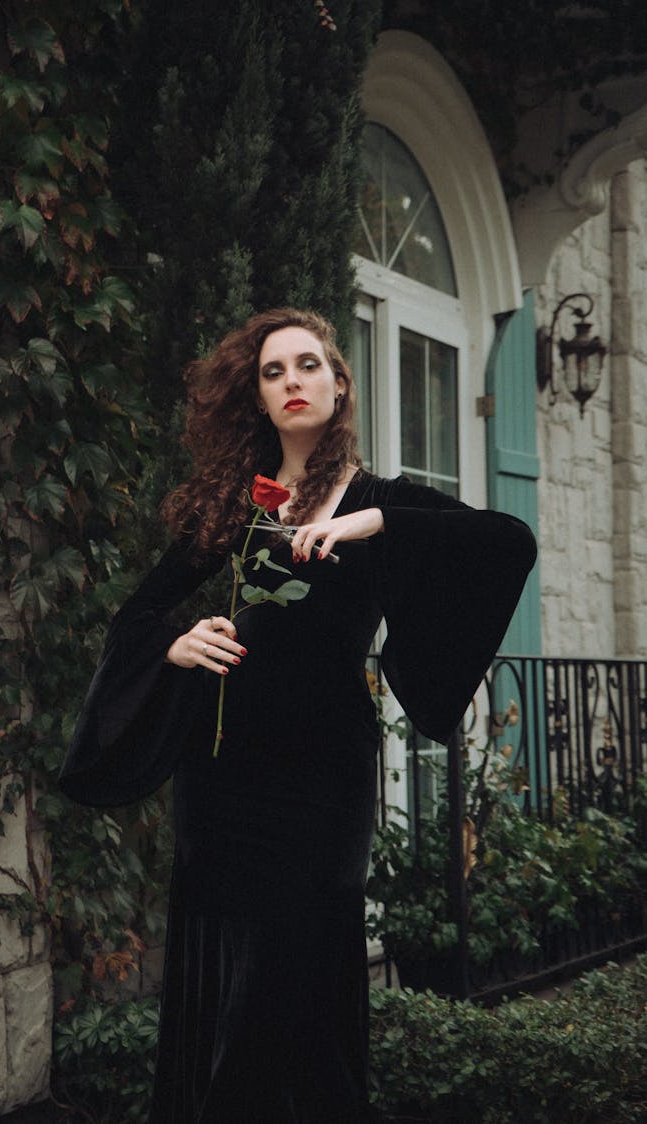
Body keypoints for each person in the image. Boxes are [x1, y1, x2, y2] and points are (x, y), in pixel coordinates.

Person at [59, 307, 537, 1122]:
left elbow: (506, 542)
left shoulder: (384, 500)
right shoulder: (236, 507)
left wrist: (369, 523)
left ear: (338, 382)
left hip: (325, 777)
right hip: (223, 776)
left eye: (307, 365)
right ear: (258, 396)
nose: (291, 382)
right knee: (229, 980)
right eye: (272, 372)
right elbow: (137, 614)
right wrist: (179, 641)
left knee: (296, 980)